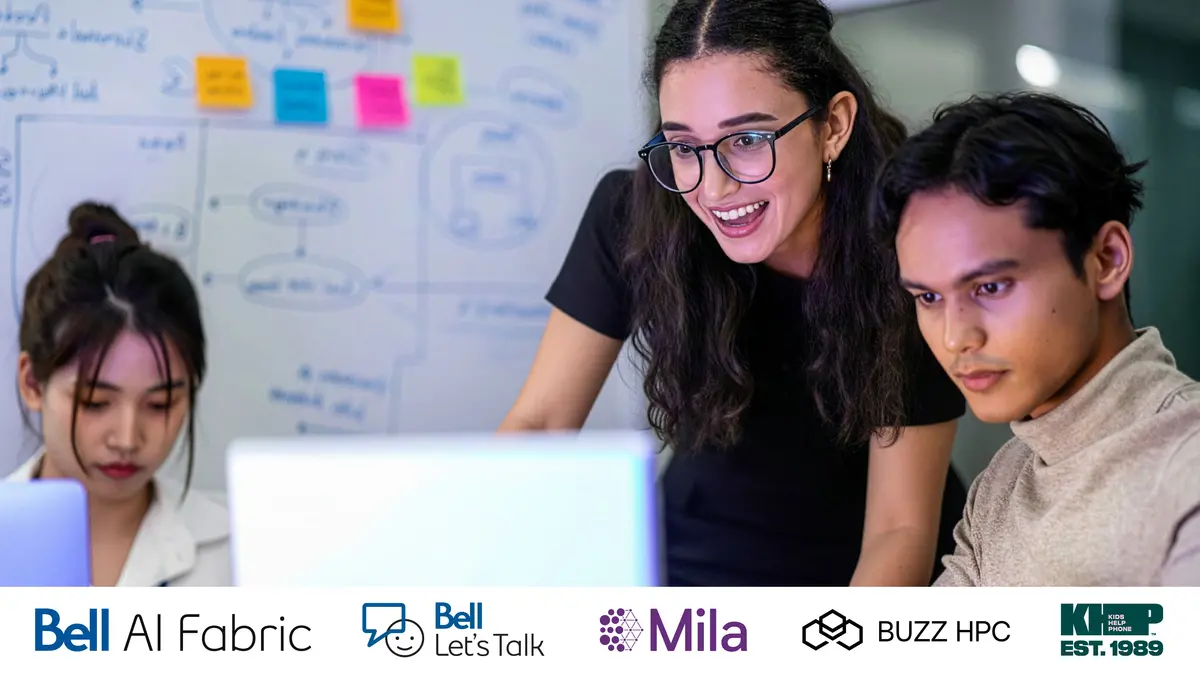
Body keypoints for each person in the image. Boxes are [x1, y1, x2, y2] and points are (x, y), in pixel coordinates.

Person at [501, 0, 968, 586]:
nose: (714, 186)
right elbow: (541, 425)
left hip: (865, 578)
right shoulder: (635, 216)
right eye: (683, 145)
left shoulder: (910, 249)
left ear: (834, 127)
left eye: (747, 138)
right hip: (692, 569)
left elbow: (898, 530)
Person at [872, 91, 1200, 586]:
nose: (956, 337)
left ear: (1107, 259)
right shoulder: (1003, 482)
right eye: (928, 298)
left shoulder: (1186, 468)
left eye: (990, 287)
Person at [3, 202, 229, 586]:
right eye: (95, 403)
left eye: (159, 405)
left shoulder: (236, 553)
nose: (127, 439)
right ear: (32, 384)